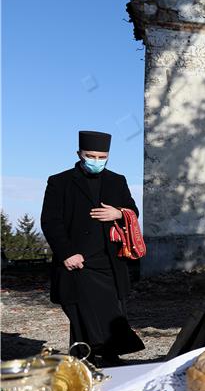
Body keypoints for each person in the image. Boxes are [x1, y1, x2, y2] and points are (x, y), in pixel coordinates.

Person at [40, 130, 145, 366]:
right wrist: (66, 253)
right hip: (77, 261)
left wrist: (118, 213)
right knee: (80, 313)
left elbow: (132, 210)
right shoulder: (59, 182)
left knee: (112, 312)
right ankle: (83, 359)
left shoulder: (117, 181)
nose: (96, 161)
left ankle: (110, 356)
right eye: (91, 156)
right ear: (79, 154)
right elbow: (50, 221)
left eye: (101, 156)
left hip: (109, 261)